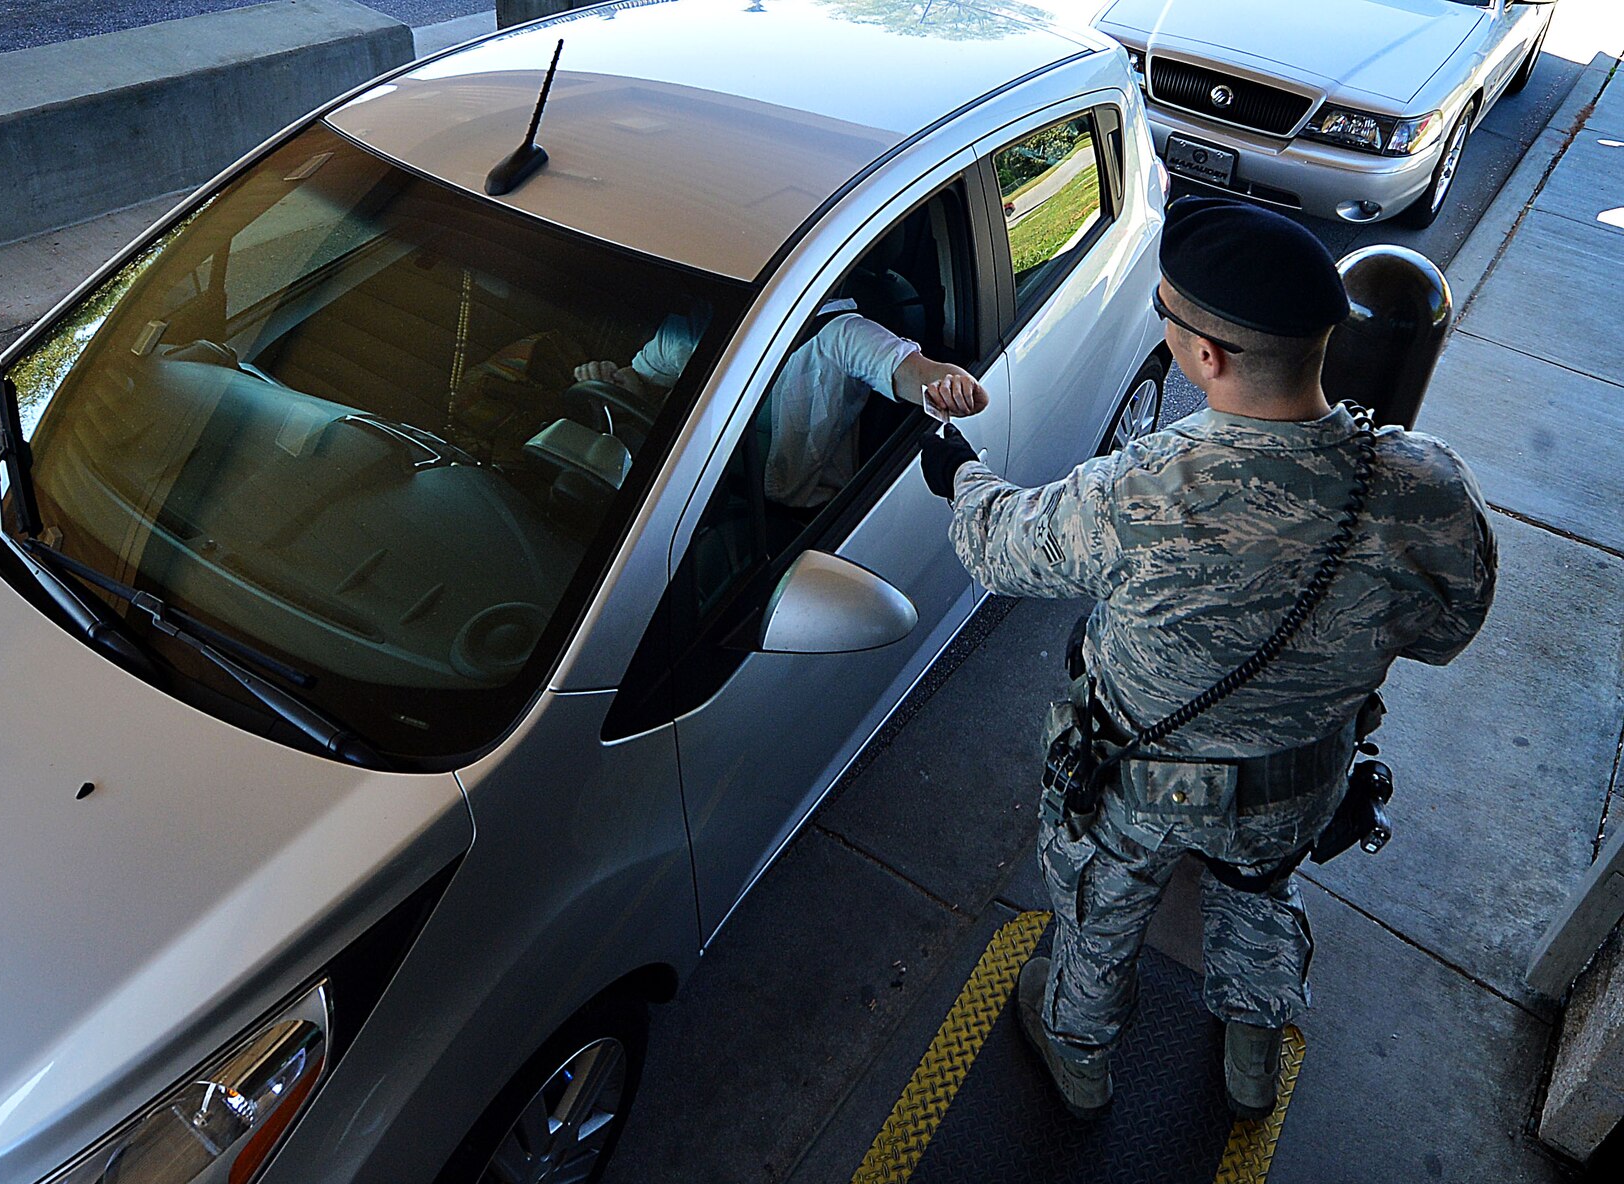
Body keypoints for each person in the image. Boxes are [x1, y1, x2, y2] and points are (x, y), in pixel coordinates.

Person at [913, 196, 1497, 1121]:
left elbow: (999, 549)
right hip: (1298, 782)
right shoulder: (1427, 487)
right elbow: (1446, 635)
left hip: (1135, 782)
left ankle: (1078, 1051)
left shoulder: (1140, 487)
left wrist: (962, 473)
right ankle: (1254, 1049)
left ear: (1207, 356)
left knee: (1101, 909)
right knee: (1259, 888)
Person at [577, 298, 974, 517]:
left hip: (793, 519)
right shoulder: (692, 324)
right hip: (695, 497)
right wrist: (610, 378)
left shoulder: (840, 336)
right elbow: (641, 382)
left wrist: (950, 385)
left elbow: (914, 372)